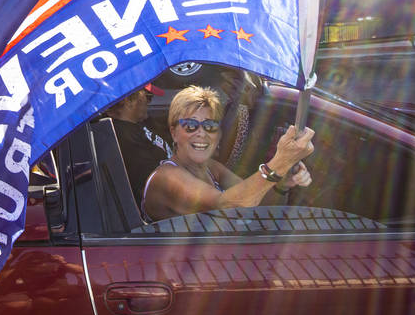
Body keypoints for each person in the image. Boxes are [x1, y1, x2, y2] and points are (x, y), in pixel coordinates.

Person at [141, 85, 314, 221]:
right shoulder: (167, 177)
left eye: (210, 126)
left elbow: (255, 203)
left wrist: (282, 182)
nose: (201, 133)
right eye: (191, 126)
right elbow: (227, 208)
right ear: (174, 132)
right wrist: (279, 163)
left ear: (218, 135)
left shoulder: (212, 168)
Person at [105, 83, 172, 197]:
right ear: (128, 101)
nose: (148, 102)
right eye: (148, 96)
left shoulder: (140, 123)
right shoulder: (124, 139)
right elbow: (153, 187)